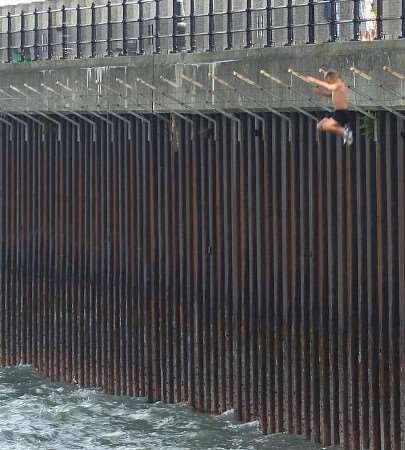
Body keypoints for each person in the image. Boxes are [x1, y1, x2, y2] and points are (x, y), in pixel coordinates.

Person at [305, 69, 353, 146]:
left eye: (328, 81)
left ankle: (345, 131)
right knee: (319, 126)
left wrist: (314, 80)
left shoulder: (338, 84)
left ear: (332, 77)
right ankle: (344, 130)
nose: (328, 82)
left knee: (326, 126)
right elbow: (331, 95)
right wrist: (320, 92)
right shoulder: (335, 85)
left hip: (342, 112)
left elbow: (330, 87)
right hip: (336, 111)